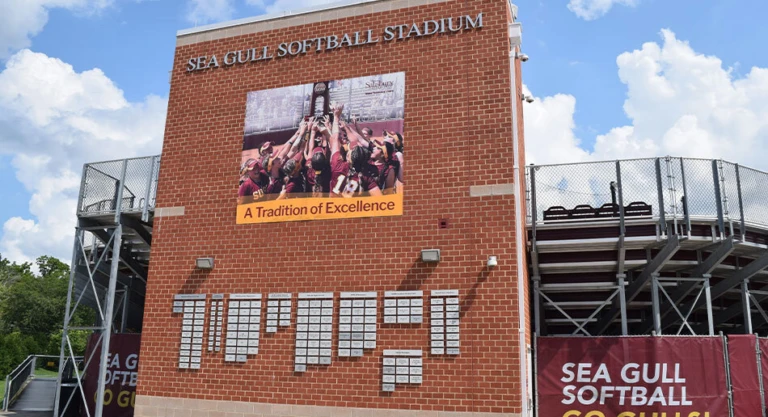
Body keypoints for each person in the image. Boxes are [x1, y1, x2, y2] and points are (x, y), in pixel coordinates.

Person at [328, 102, 381, 198]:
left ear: (348, 157)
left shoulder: (338, 165)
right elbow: (381, 201)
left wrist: (336, 117)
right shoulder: (366, 175)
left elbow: (334, 139)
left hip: (333, 210)